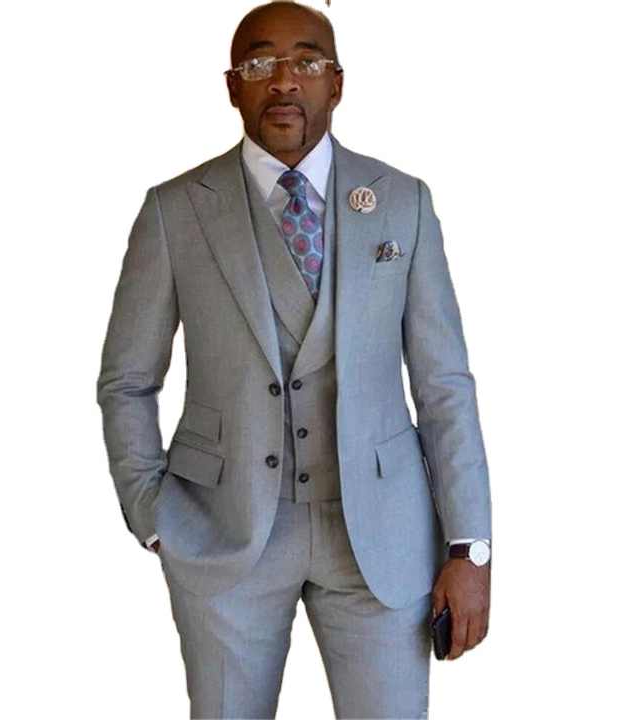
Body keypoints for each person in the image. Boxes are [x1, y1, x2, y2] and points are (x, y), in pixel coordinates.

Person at [96, 2, 492, 717]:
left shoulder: (402, 202)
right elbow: (127, 381)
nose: (283, 80)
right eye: (259, 63)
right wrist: (152, 515)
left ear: (337, 83)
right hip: (222, 530)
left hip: (382, 533)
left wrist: (470, 545)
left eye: (307, 61)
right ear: (232, 85)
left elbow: (444, 385)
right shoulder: (174, 210)